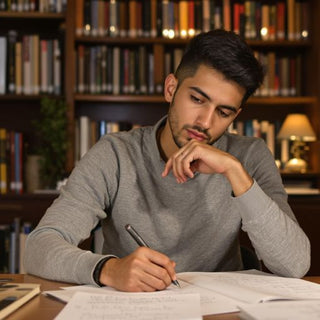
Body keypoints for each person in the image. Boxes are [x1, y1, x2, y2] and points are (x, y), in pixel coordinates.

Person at [25, 29, 310, 292]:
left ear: (235, 116)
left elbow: (295, 264)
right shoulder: (115, 154)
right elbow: (38, 247)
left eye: (223, 112)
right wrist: (107, 269)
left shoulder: (250, 156)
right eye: (197, 99)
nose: (205, 122)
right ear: (171, 88)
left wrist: (235, 172)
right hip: (134, 307)